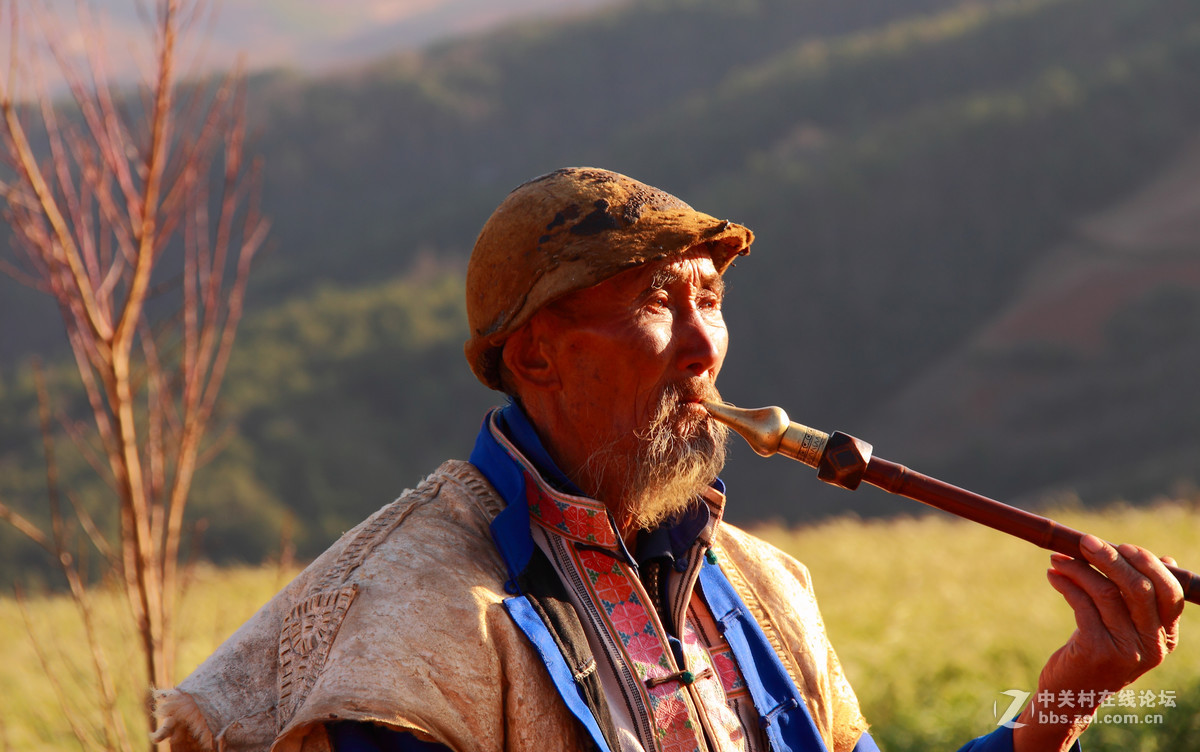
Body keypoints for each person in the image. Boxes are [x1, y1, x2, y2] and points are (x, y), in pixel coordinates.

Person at [153, 167, 1184, 752]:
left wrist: (1067, 695)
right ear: (537, 353)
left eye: (713, 299)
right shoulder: (410, 625)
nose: (705, 345)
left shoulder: (766, 586)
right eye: (658, 303)